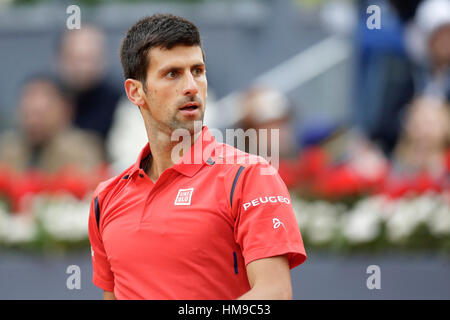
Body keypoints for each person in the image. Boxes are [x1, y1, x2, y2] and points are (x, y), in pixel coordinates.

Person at [88, 14, 307, 300]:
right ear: (135, 91)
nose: (191, 86)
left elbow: (273, 294)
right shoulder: (106, 198)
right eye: (173, 74)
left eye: (198, 71)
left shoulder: (251, 175)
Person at [0, 74, 103, 173]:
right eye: (28, 113)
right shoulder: (7, 148)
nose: (34, 122)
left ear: (65, 110)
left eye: (40, 113)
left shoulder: (82, 149)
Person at [56, 25, 123, 159]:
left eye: (89, 58)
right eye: (75, 58)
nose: (82, 67)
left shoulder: (121, 104)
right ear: (59, 60)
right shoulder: (50, 98)